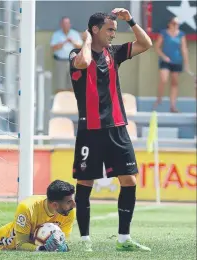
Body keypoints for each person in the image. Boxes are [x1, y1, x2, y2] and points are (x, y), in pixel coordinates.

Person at [69, 10, 152, 252]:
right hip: (90, 130)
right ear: (95, 29)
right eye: (110, 29)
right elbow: (84, 62)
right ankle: (85, 241)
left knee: (129, 180)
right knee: (85, 183)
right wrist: (85, 40)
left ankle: (124, 238)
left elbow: (145, 43)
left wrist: (131, 21)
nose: (114, 34)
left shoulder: (113, 53)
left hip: (117, 127)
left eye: (115, 30)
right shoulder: (76, 54)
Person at [154, 16, 191, 113]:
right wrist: (164, 56)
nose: (176, 25)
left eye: (178, 24)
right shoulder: (164, 33)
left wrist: (186, 64)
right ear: (169, 24)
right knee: (164, 79)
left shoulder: (181, 35)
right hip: (165, 61)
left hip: (177, 61)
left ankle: (173, 106)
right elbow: (157, 47)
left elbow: (184, 49)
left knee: (175, 83)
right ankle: (159, 99)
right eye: (174, 23)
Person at [50, 16, 83, 92]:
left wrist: (72, 42)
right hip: (60, 61)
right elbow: (53, 48)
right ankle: (60, 102)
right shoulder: (56, 34)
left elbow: (80, 47)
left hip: (73, 62)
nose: (66, 25)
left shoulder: (74, 34)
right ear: (61, 24)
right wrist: (64, 42)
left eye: (67, 23)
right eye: (64, 23)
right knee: (60, 85)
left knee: (73, 84)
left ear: (70, 24)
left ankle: (71, 102)